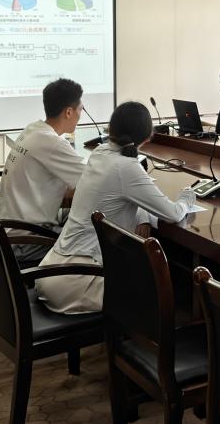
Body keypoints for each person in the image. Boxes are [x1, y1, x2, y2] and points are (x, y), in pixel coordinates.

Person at [36, 101, 196, 314]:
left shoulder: (100, 152)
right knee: (160, 285)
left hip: (50, 272)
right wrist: (187, 197)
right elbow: (173, 214)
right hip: (77, 281)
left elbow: (121, 195)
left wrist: (143, 216)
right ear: (147, 137)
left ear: (112, 129)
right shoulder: (126, 167)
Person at [0, 78, 87, 265]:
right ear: (69, 112)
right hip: (24, 241)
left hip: (5, 230)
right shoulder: (52, 142)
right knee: (91, 237)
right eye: (81, 109)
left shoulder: (33, 129)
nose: (81, 114)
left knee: (76, 215)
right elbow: (94, 181)